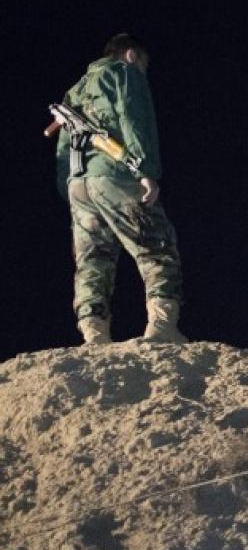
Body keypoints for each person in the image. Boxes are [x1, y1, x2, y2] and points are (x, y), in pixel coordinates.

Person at [55, 33, 187, 345]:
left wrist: (69, 187)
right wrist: (146, 171)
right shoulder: (123, 74)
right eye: (143, 63)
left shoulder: (75, 90)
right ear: (130, 55)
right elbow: (134, 119)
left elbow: (63, 143)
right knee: (156, 245)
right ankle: (163, 327)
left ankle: (94, 334)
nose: (143, 70)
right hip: (115, 173)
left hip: (79, 183)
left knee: (93, 258)